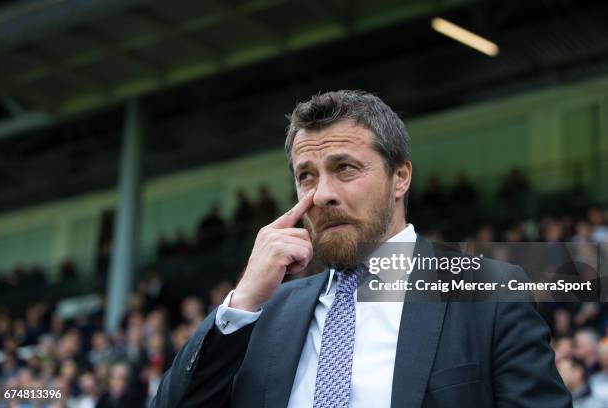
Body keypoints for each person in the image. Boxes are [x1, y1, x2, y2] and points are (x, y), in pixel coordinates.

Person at [151, 90, 571, 407]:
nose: (322, 195)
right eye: (307, 176)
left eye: (345, 168)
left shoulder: (489, 291)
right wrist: (242, 300)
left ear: (400, 177)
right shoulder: (260, 313)